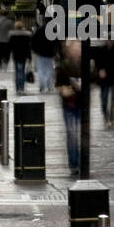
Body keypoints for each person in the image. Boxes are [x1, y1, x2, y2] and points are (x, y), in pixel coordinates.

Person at [56, 40, 82, 175]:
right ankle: (73, 163)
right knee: (72, 135)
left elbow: (94, 78)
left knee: (83, 135)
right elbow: (58, 84)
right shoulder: (64, 66)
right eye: (75, 48)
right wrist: (62, 90)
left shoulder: (86, 64)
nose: (78, 50)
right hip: (69, 105)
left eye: (79, 48)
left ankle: (81, 161)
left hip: (83, 104)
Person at [95, 37, 114, 127]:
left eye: (111, 40)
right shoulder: (101, 50)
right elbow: (97, 62)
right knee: (104, 99)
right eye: (108, 40)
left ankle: (112, 117)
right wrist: (100, 70)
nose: (110, 42)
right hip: (104, 78)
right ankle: (105, 116)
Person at [31, 12, 57, 93]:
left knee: (41, 70)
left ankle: (42, 86)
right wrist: (55, 52)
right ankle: (49, 86)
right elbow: (56, 42)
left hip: (40, 53)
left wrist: (35, 50)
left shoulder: (39, 30)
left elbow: (33, 41)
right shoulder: (53, 30)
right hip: (49, 53)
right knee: (49, 70)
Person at [9, 20, 32, 96]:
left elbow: (10, 47)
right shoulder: (26, 35)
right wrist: (29, 57)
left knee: (16, 72)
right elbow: (28, 47)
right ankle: (22, 88)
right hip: (23, 56)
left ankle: (17, 88)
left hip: (15, 56)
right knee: (22, 72)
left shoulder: (12, 36)